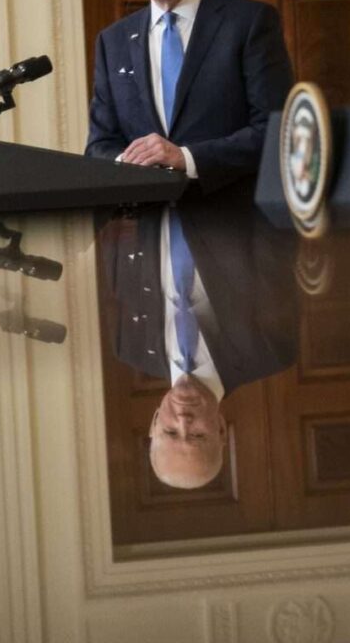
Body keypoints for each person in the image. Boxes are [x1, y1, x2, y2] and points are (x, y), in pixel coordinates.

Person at [86, 0, 294, 193]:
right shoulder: (113, 41)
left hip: (233, 221)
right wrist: (128, 164)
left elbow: (276, 131)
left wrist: (185, 157)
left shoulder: (249, 23)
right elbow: (99, 146)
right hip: (147, 224)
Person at [97, 194, 297, 489]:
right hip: (217, 171)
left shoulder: (130, 347)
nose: (183, 421)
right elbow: (272, 224)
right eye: (197, 436)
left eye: (170, 432)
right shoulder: (270, 350)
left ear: (154, 423)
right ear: (219, 428)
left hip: (144, 174)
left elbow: (117, 240)